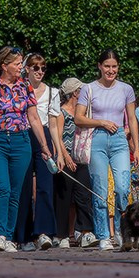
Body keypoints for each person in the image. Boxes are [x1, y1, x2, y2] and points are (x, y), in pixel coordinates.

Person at [0, 47, 53, 252]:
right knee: (2, 188)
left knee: (15, 192)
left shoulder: (25, 87)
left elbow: (34, 118)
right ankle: (0, 235)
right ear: (5, 65)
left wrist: (44, 146)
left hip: (21, 141)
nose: (21, 67)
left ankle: (9, 237)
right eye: (17, 64)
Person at [77, 48, 139, 251]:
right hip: (97, 139)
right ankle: (103, 235)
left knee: (123, 188)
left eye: (114, 66)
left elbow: (132, 119)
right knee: (100, 190)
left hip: (119, 141)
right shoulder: (88, 88)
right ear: (99, 66)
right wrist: (101, 122)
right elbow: (78, 118)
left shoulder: (126, 89)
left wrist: (136, 148)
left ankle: (123, 232)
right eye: (107, 66)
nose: (110, 70)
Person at [17, 53, 64, 249]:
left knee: (45, 186)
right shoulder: (18, 89)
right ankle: (23, 236)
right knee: (24, 187)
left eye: (43, 68)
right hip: (23, 134)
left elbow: (53, 125)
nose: (40, 72)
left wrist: (58, 151)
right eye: (35, 68)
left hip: (43, 135)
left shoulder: (52, 92)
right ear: (26, 69)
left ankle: (44, 232)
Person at [54, 77, 96, 248]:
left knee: (84, 195)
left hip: (81, 157)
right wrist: (66, 156)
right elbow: (58, 137)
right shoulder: (61, 112)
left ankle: (86, 231)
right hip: (66, 159)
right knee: (64, 197)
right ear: (75, 93)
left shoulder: (83, 112)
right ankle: (62, 234)